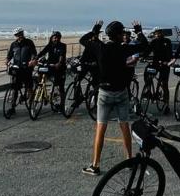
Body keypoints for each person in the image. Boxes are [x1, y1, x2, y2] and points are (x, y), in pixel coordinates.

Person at [81, 20, 148, 176]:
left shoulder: (100, 47)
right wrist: (138, 31)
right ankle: (129, 159)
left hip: (104, 91)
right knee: (124, 125)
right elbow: (145, 46)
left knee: (101, 127)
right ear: (119, 35)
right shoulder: (123, 49)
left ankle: (95, 165)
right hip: (121, 91)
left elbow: (83, 40)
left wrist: (95, 30)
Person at [5, 27, 37, 115]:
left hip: (27, 68)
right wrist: (7, 60)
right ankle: (12, 107)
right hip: (16, 69)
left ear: (23, 34)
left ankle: (32, 106)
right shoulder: (13, 44)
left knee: (29, 87)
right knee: (15, 89)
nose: (19, 36)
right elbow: (9, 55)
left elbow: (34, 53)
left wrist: (32, 60)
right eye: (17, 35)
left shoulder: (29, 42)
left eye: (20, 34)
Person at [143, 27, 172, 114]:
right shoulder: (153, 42)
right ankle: (149, 90)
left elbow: (169, 52)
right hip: (155, 63)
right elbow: (148, 50)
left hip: (164, 64)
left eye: (159, 33)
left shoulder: (167, 41)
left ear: (162, 33)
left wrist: (167, 61)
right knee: (147, 73)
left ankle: (166, 105)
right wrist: (144, 57)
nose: (157, 35)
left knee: (164, 84)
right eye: (156, 33)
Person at [36, 31, 67, 107]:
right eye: (54, 38)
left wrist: (59, 63)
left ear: (59, 38)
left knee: (60, 86)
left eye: (57, 38)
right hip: (50, 65)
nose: (56, 39)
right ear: (51, 38)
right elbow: (42, 52)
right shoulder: (49, 45)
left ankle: (62, 104)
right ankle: (41, 89)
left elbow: (62, 55)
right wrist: (35, 59)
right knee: (39, 72)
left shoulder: (62, 46)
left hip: (59, 67)